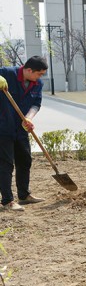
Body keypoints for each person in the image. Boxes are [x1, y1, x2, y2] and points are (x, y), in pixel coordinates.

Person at [0, 56, 49, 211]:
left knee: (25, 159)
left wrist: (28, 117)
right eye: (39, 74)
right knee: (6, 164)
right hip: (3, 127)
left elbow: (36, 104)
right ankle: (7, 200)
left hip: (21, 128)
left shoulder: (37, 84)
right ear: (29, 70)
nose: (40, 77)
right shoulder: (7, 73)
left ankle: (24, 194)